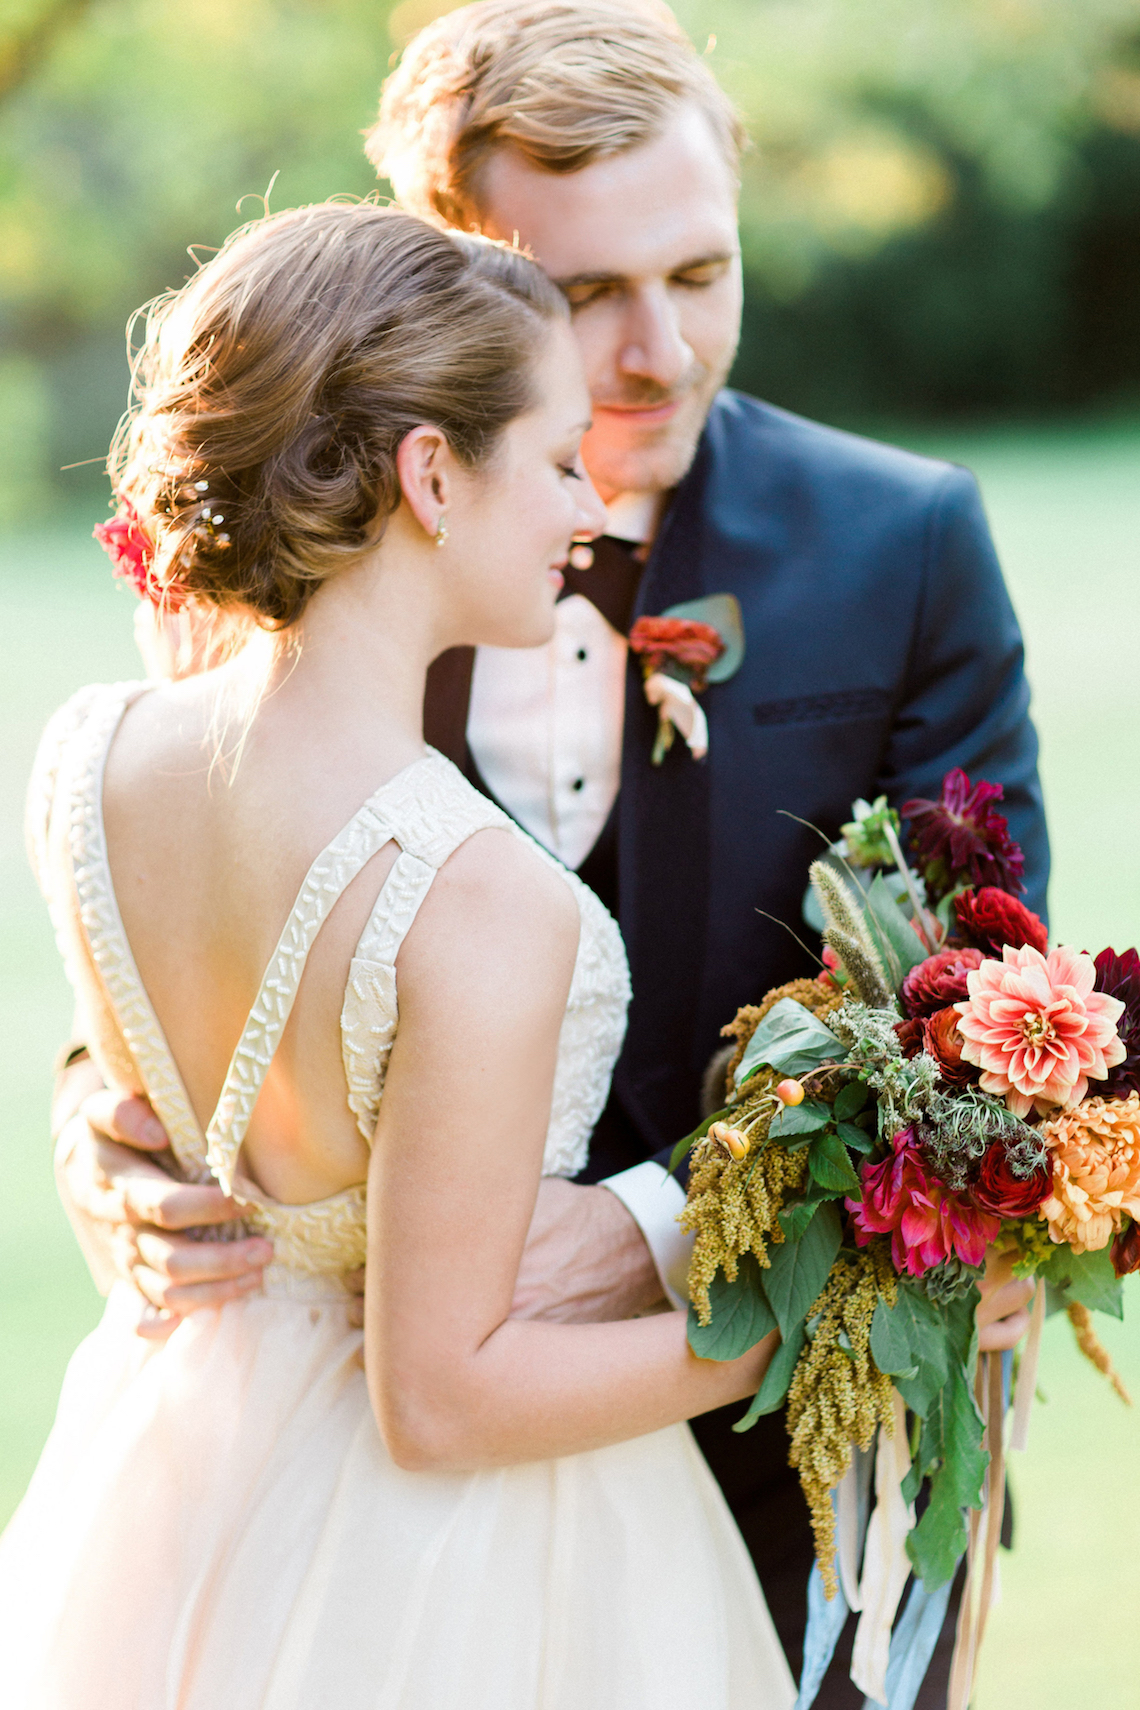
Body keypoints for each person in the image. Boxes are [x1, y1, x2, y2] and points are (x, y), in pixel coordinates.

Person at [49, 4, 1041, 1702]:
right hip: (361, 1511)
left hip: (800, 1463)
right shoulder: (300, 585)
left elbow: (984, 1021)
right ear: (445, 278)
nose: (657, 353)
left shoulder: (907, 547)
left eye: (702, 272)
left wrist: (658, 1225)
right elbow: (218, 903)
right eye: (584, 295)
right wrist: (107, 1130)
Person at [2, 200, 805, 1708]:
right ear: (431, 472)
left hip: (181, 1474)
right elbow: (440, 1397)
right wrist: (778, 1334)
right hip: (462, 1573)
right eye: (560, 460)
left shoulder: (88, 756)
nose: (589, 508)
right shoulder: (478, 897)